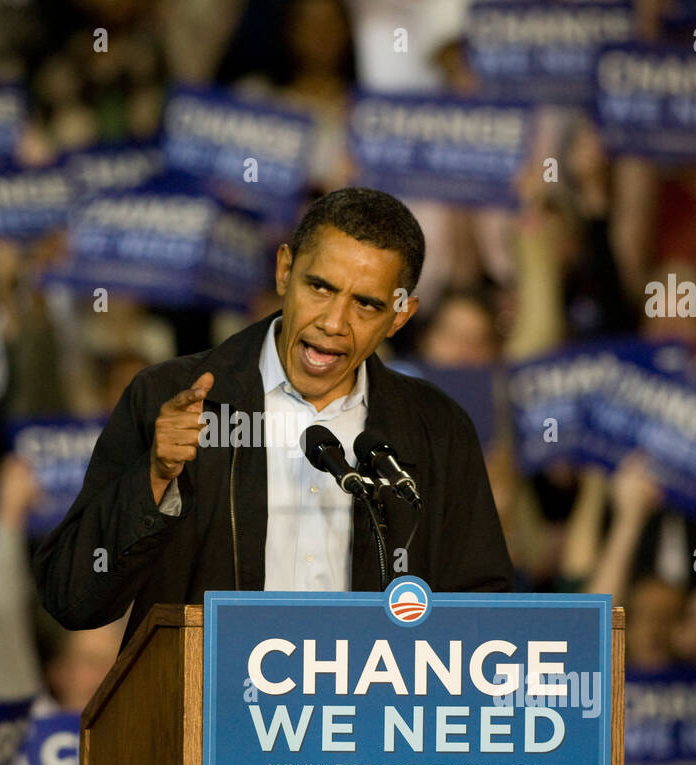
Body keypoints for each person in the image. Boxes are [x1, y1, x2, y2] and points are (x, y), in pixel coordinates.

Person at [36, 187, 513, 648]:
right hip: (206, 717)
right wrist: (155, 479)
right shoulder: (171, 398)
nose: (333, 321)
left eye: (366, 304)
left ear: (400, 315)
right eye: (320, 287)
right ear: (284, 270)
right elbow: (72, 598)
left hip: (363, 722)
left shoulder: (437, 428)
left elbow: (481, 610)